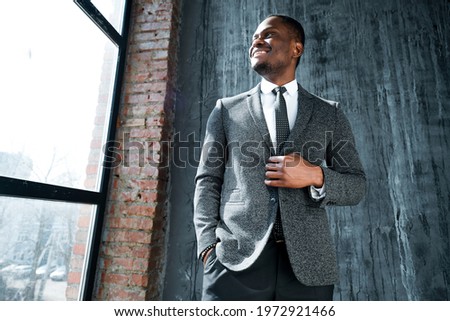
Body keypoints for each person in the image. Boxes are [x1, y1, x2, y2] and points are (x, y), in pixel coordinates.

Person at [193, 14, 366, 301]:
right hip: (234, 262)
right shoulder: (226, 110)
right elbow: (207, 180)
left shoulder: (329, 113)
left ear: (296, 48)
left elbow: (357, 185)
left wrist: (316, 175)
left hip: (309, 268)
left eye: (269, 34)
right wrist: (207, 246)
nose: (257, 41)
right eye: (253, 38)